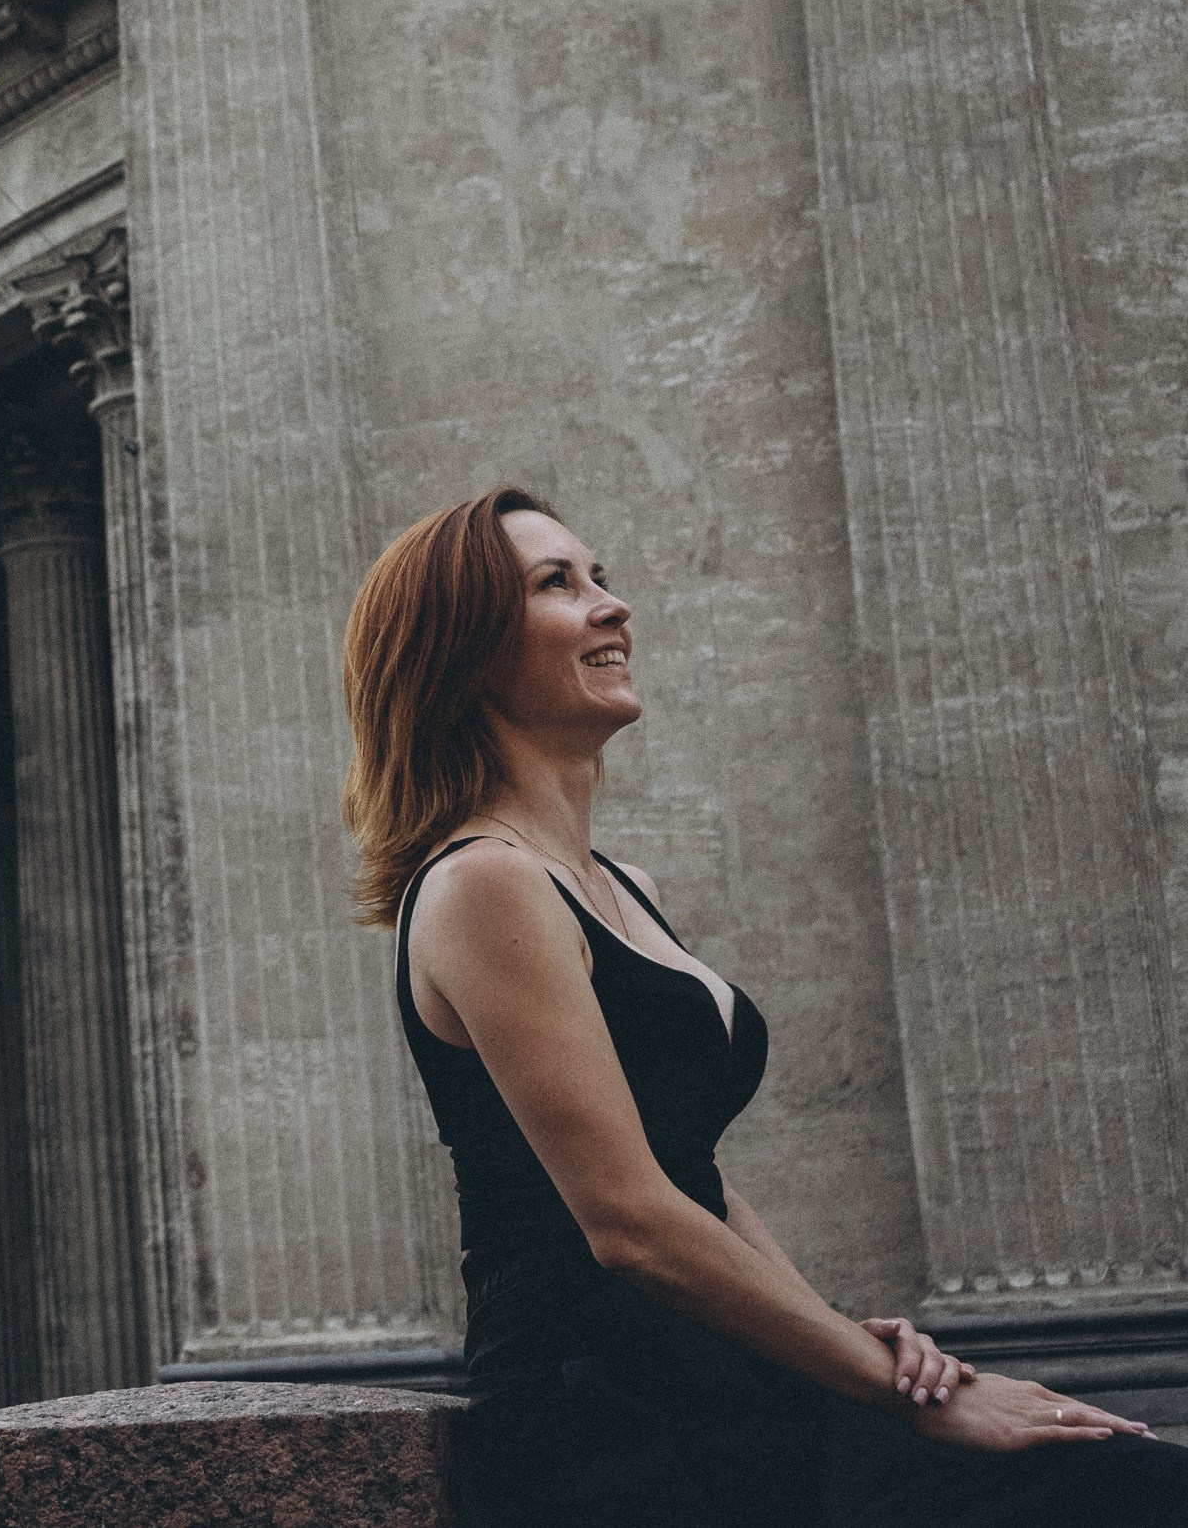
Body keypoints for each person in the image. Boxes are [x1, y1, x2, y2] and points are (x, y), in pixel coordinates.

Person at [342, 486, 1188, 1527]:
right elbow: (630, 1223)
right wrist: (909, 1400)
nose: (611, 606)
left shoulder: (622, 884)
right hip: (616, 1419)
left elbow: (688, 1170)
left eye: (600, 575)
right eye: (556, 584)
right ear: (462, 651)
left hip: (722, 1376)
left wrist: (851, 1345)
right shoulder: (484, 883)